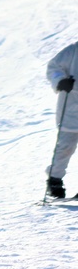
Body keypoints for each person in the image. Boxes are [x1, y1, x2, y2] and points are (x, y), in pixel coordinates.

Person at [45, 41, 78, 199]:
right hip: (71, 108)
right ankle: (55, 180)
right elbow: (53, 67)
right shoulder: (73, 50)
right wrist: (60, 81)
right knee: (65, 148)